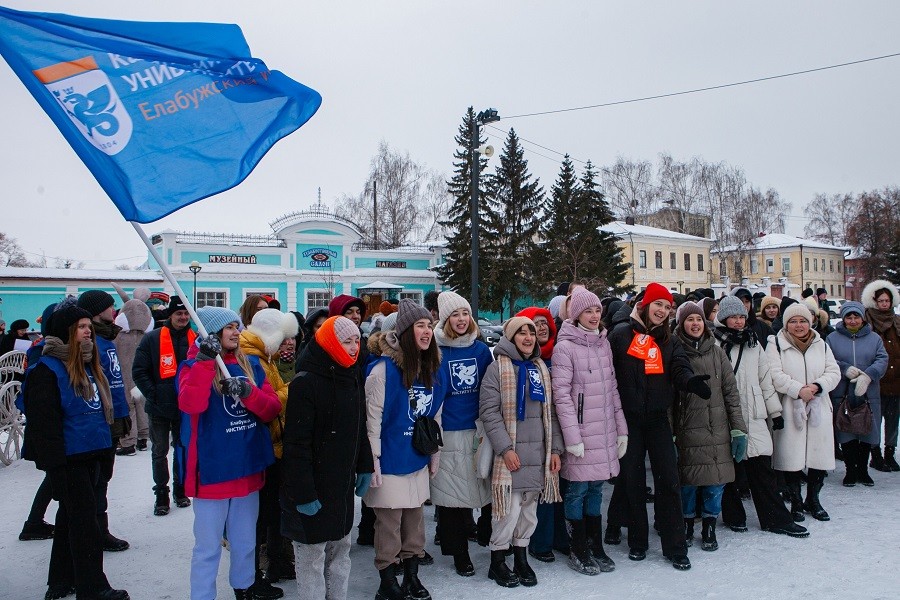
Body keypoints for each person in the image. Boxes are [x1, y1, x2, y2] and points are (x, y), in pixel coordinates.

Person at [22, 303, 130, 600]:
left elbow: (96, 411)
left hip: (92, 452)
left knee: (70, 519)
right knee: (85, 524)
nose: (88, 332)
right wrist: (55, 467)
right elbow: (44, 426)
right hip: (69, 459)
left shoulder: (86, 362)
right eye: (81, 327)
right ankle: (93, 586)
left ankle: (61, 579)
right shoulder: (47, 370)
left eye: (88, 326)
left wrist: (106, 448)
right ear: (66, 332)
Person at [178, 306, 282, 600]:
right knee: (208, 546)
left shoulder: (250, 364)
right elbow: (191, 404)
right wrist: (204, 362)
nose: (238, 331)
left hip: (248, 468)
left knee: (245, 541)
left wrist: (249, 393)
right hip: (213, 472)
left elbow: (271, 409)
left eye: (238, 326)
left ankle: (244, 588)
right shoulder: (191, 367)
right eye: (230, 327)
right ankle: (202, 595)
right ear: (210, 333)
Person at [607, 282, 711, 571]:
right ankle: (638, 541)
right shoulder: (621, 334)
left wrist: (690, 381)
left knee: (669, 479)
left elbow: (679, 367)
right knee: (633, 482)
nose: (663, 311)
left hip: (657, 419)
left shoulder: (670, 340)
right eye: (658, 305)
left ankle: (675, 546)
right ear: (645, 305)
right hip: (628, 420)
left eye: (667, 307)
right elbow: (609, 375)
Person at [281, 316, 374, 600]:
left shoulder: (351, 375)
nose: (354, 347)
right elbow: (296, 446)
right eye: (347, 341)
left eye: (356, 340)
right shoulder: (305, 382)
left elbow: (360, 427)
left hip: (341, 486)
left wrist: (364, 465)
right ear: (331, 342)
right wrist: (304, 494)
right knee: (311, 558)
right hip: (312, 486)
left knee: (340, 552)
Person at [364, 299, 444, 600]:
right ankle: (387, 580)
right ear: (406, 332)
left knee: (415, 524)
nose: (427, 331)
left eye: (429, 326)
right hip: (389, 460)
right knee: (389, 526)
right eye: (420, 326)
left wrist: (435, 451)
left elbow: (435, 413)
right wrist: (373, 461)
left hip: (417, 458)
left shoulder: (431, 366)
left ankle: (412, 577)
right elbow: (372, 421)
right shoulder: (382, 371)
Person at [713, 296, 809, 538]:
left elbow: (764, 379)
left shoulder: (753, 342)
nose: (738, 321)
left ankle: (775, 518)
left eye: (742, 316)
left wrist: (774, 411)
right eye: (733, 317)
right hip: (725, 415)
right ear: (723, 318)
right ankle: (734, 516)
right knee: (729, 470)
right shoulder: (713, 343)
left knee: (762, 469)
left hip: (754, 414)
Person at [480, 316, 562, 588]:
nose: (528, 337)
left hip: (538, 452)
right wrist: (505, 448)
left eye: (531, 333)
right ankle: (497, 561)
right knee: (508, 512)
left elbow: (550, 413)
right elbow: (489, 413)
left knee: (529, 511)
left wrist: (555, 450)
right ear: (510, 337)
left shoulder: (540, 367)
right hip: (512, 454)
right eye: (521, 333)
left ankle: (521, 557)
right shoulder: (497, 368)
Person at [551, 290, 626, 575]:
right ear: (576, 315)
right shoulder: (565, 347)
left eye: (597, 310)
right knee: (577, 490)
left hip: (604, 430)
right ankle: (577, 548)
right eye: (588, 312)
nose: (595, 316)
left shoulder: (603, 343)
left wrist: (621, 430)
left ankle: (595, 545)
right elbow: (561, 395)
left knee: (596, 488)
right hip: (581, 433)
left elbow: (612, 389)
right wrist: (573, 437)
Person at [672, 301, 747, 552]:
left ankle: (709, 525)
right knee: (689, 482)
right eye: (689, 320)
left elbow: (730, 392)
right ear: (681, 324)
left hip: (717, 428)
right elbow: (670, 397)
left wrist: (738, 428)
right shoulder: (674, 351)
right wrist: (670, 431)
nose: (695, 324)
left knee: (716, 482)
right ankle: (687, 524)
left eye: (699, 320)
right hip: (688, 428)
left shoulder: (717, 352)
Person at [430, 292, 493, 577]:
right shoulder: (435, 350)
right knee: (452, 498)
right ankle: (459, 554)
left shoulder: (481, 350)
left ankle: (487, 535)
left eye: (465, 314)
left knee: (486, 490)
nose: (461, 320)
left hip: (479, 429)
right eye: (455, 315)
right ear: (445, 319)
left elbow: (490, 388)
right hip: (450, 432)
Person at [239, 309, 300, 595]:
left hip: (273, 445)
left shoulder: (265, 356)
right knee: (260, 515)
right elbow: (267, 404)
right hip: (262, 446)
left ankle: (275, 562)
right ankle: (253, 575)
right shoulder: (254, 359)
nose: (286, 343)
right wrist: (293, 388)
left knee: (273, 510)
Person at [766, 303, 841, 522]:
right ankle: (796, 501)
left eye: (803, 321)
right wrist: (798, 390)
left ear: (810, 322)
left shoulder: (821, 344)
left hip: (818, 405)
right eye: (793, 321)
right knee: (791, 457)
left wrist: (816, 387)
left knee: (819, 456)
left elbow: (834, 372)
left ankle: (813, 500)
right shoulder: (776, 344)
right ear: (786, 323)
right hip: (791, 407)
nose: (799, 326)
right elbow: (774, 374)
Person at [76, 290, 133, 553]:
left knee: (104, 478)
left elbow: (115, 378)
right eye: (111, 307)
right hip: (99, 418)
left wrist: (123, 414)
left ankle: (100, 529)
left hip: (114, 414)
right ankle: (97, 532)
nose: (115, 312)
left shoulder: (108, 337)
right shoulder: (91, 341)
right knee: (95, 481)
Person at [132, 296, 195, 515]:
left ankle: (180, 490)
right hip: (159, 406)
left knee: (182, 449)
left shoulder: (195, 339)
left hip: (185, 407)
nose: (183, 317)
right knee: (159, 451)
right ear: (170, 315)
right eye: (179, 314)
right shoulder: (152, 339)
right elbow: (138, 371)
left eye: (186, 314)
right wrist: (154, 393)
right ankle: (161, 494)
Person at [516, 306, 568, 562]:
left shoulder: (561, 353)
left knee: (563, 488)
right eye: (536, 323)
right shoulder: (524, 362)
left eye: (545, 322)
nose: (542, 327)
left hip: (566, 427)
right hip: (536, 432)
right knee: (541, 487)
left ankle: (560, 536)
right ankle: (540, 540)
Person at [825, 301, 888, 487]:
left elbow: (882, 358)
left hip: (868, 393)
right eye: (849, 317)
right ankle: (850, 470)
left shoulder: (874, 338)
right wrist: (844, 368)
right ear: (843, 319)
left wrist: (869, 375)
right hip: (842, 393)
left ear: (862, 318)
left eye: (856, 317)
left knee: (867, 429)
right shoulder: (832, 338)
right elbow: (828, 359)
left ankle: (863, 470)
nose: (853, 321)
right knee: (846, 431)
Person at [862, 279, 900, 472]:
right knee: (874, 421)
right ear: (874, 301)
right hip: (875, 381)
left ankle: (890, 454)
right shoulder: (867, 321)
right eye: (881, 301)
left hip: (896, 381)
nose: (885, 304)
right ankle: (875, 455)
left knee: (893, 421)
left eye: (887, 301)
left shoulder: (897, 321)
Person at [112, 287, 154, 456]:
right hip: (143, 378)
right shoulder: (149, 337)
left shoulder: (119, 337)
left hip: (123, 377)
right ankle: (143, 438)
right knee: (142, 406)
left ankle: (128, 441)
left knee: (128, 406)